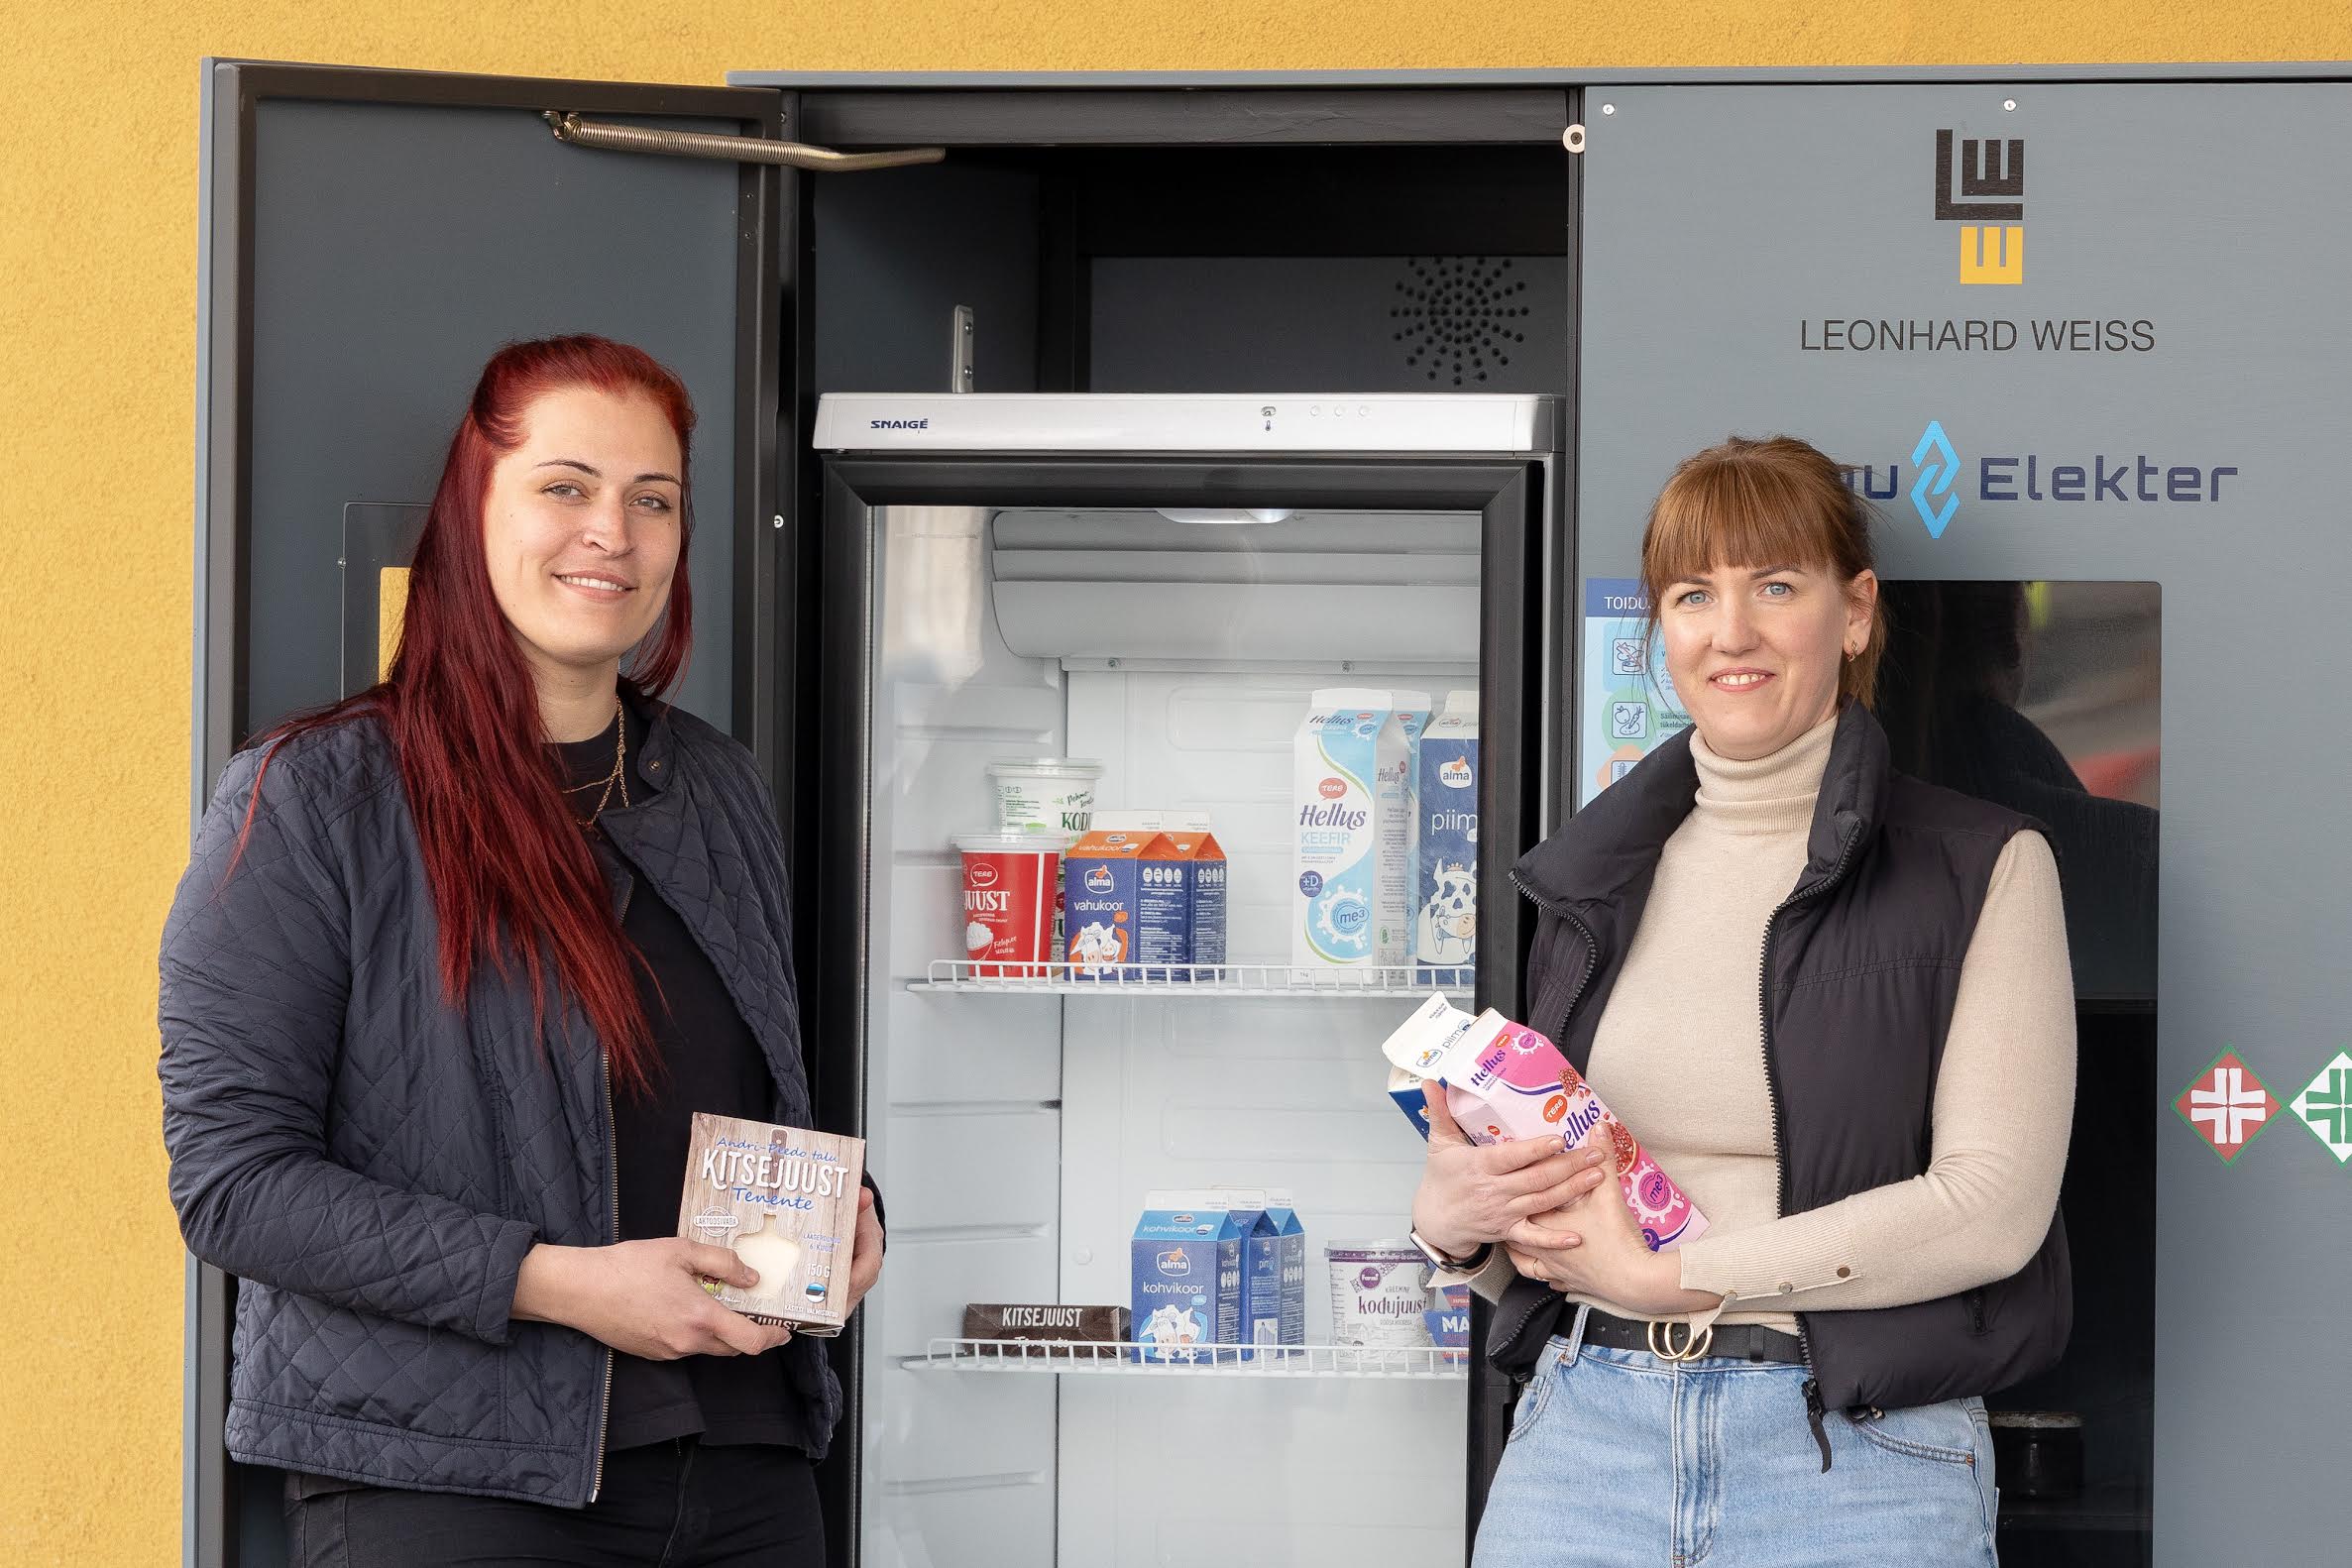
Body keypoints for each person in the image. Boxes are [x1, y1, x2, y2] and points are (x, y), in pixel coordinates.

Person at [159, 336, 880, 1567]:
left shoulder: (715, 787)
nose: (614, 532)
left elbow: (746, 1103)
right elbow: (234, 1183)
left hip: (747, 1468)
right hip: (454, 1486)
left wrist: (845, 1222)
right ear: (472, 509)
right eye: (566, 486)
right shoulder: (316, 797)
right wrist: (560, 1283)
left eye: (653, 500)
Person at [1409, 436, 2074, 1566]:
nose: (1731, 632)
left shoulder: (1981, 865)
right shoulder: (1592, 874)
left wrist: (1675, 1279)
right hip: (1584, 1438)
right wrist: (1456, 1223)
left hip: (1857, 1457)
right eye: (1692, 595)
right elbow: (1570, 1204)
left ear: (1853, 612)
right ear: (1660, 629)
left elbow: (1989, 1208)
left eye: (1774, 586)